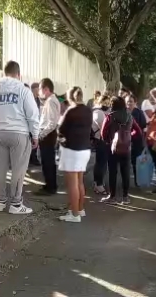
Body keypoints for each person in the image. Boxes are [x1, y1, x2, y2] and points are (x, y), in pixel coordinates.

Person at [0, 61, 39, 214]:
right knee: (18, 171)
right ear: (18, 74)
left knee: (0, 169)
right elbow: (33, 115)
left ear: (4, 73)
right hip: (19, 134)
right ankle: (16, 204)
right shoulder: (23, 91)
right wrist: (35, 135)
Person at [57, 87, 93, 223]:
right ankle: (80, 209)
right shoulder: (88, 110)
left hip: (72, 149)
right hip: (85, 149)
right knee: (80, 182)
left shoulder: (71, 111)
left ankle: (74, 214)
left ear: (70, 97)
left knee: (72, 184)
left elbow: (61, 129)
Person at [100, 96, 142, 205]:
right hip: (126, 148)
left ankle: (112, 196)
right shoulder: (129, 116)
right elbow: (138, 131)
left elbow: (103, 132)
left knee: (113, 172)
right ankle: (125, 197)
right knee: (125, 172)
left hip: (113, 148)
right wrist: (129, 136)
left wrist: (109, 141)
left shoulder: (110, 116)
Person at [34, 78, 61, 196]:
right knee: (47, 162)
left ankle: (51, 187)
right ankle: (50, 184)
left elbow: (51, 123)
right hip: (48, 135)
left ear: (46, 89)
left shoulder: (50, 101)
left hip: (48, 135)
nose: (38, 92)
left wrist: (41, 134)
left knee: (48, 162)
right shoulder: (50, 100)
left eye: (40, 89)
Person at [91, 94, 111, 195]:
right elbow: (105, 127)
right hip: (101, 140)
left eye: (108, 102)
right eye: (105, 102)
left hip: (102, 140)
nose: (107, 104)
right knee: (101, 163)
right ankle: (99, 184)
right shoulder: (98, 112)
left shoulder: (101, 111)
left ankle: (98, 183)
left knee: (101, 163)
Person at [126, 94, 147, 187]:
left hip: (137, 141)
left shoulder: (139, 112)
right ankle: (125, 182)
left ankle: (137, 181)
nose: (129, 103)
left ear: (135, 102)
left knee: (136, 162)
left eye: (131, 101)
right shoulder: (123, 112)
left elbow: (143, 125)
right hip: (124, 141)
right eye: (127, 101)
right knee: (125, 162)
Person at [29, 82, 41, 166]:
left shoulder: (38, 99)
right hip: (29, 123)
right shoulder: (29, 99)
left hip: (35, 123)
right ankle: (30, 158)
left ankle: (33, 158)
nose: (39, 91)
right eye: (38, 89)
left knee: (35, 141)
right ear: (34, 89)